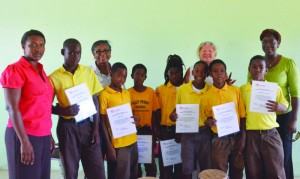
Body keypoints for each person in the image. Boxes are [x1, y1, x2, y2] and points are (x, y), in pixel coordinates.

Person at [0, 29, 54, 179]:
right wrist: (24, 141)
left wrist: (48, 133)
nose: (38, 49)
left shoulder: (41, 71)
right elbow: (12, 107)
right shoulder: (15, 70)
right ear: (23, 46)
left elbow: (41, 105)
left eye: (41, 45)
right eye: (33, 45)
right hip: (23, 135)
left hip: (42, 135)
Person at [49, 38, 105, 179]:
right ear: (63, 52)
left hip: (88, 126)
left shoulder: (88, 72)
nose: (75, 56)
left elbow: (95, 101)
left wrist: (96, 129)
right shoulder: (53, 77)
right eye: (71, 52)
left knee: (97, 170)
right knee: (70, 171)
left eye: (78, 53)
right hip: (67, 128)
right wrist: (63, 111)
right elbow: (46, 107)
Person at [249, 29, 299, 179]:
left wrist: (294, 120)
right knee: (265, 157)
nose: (268, 45)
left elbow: (296, 93)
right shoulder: (257, 63)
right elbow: (249, 88)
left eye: (272, 42)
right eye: (264, 42)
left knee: (283, 155)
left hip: (283, 117)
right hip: (263, 117)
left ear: (278, 44)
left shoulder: (288, 63)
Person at [241, 55, 288, 178]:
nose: (257, 70)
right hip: (251, 136)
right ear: (249, 69)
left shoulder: (274, 88)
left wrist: (281, 107)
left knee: (276, 171)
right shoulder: (241, 90)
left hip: (270, 135)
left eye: (261, 67)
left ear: (266, 70)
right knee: (253, 172)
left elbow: (285, 107)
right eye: (254, 66)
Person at [202, 59, 246, 179]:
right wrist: (208, 121)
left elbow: (242, 116)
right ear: (210, 73)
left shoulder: (235, 90)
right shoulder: (207, 95)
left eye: (222, 71)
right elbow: (206, 118)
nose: (219, 73)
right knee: (219, 173)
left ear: (226, 73)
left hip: (237, 137)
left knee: (237, 170)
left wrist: (243, 136)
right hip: (219, 140)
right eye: (215, 71)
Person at [169, 61, 212, 179]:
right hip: (187, 134)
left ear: (207, 74)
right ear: (192, 72)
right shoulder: (182, 89)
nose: (200, 74)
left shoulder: (210, 90)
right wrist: (173, 117)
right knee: (186, 168)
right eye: (197, 71)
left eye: (203, 72)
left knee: (206, 168)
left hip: (205, 133)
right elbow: (176, 111)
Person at [99, 62, 140, 179]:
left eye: (125, 76)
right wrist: (109, 146)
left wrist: (134, 119)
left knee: (133, 173)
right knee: (121, 175)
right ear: (111, 74)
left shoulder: (127, 93)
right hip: (118, 144)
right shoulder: (104, 94)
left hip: (132, 140)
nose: (122, 79)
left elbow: (128, 115)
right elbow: (102, 122)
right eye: (119, 75)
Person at [128, 64, 160, 177]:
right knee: (135, 161)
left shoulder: (151, 92)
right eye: (137, 74)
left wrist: (155, 132)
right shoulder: (127, 93)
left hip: (147, 130)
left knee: (149, 161)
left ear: (145, 77)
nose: (139, 77)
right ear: (132, 76)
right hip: (132, 131)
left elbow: (155, 113)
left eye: (142, 75)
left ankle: (151, 177)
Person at [156, 54, 185, 179]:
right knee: (165, 166)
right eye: (171, 72)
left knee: (180, 166)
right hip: (165, 131)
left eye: (177, 72)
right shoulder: (160, 89)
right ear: (167, 73)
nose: (174, 75)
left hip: (182, 132)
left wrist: (180, 130)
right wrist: (157, 131)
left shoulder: (186, 89)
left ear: (181, 72)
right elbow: (157, 112)